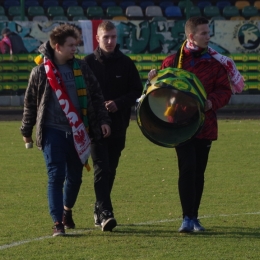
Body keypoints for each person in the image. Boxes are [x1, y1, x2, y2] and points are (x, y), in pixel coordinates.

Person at [148, 16, 243, 233]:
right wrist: (152, 78)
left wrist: (212, 102)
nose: (208, 37)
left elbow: (225, 91)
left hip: (205, 125)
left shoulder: (215, 63)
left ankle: (194, 216)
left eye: (209, 33)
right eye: (204, 33)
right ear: (192, 36)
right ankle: (186, 218)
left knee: (199, 171)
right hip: (179, 126)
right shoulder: (172, 61)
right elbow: (160, 90)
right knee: (187, 167)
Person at [20, 24, 115, 236]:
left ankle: (66, 210)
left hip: (78, 132)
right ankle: (57, 223)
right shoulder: (40, 72)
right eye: (71, 45)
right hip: (52, 132)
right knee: (56, 175)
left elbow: (97, 96)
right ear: (57, 46)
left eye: (76, 44)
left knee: (75, 177)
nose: (75, 48)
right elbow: (30, 104)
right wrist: (26, 130)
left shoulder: (81, 68)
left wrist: (103, 120)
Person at [83, 21, 143, 227]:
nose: (110, 41)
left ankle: (99, 207)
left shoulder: (126, 63)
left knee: (111, 168)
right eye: (106, 37)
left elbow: (137, 91)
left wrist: (119, 103)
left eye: (113, 37)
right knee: (101, 167)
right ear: (97, 38)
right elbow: (81, 94)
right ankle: (106, 212)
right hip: (94, 126)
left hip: (119, 125)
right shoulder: (87, 63)